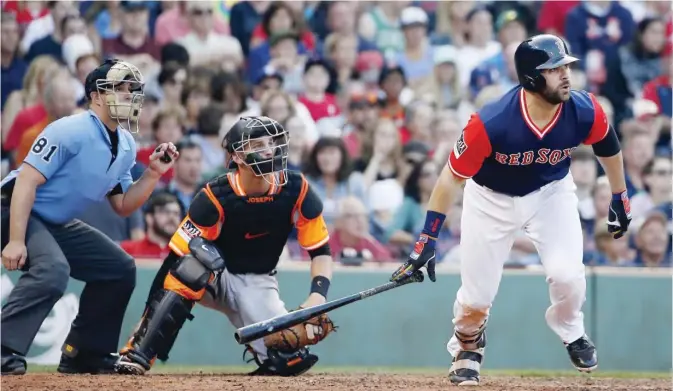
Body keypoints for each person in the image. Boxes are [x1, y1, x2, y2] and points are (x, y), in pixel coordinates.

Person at [390, 35, 632, 386]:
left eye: (566, 67)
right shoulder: (492, 121)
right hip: (491, 199)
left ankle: (571, 328)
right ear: (533, 78)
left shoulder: (584, 108)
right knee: (476, 299)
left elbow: (608, 145)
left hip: (551, 193)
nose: (566, 75)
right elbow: (448, 180)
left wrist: (619, 194)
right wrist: (427, 237)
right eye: (554, 69)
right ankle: (467, 346)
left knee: (567, 275)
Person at [115, 116, 336, 376]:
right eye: (257, 144)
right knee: (189, 265)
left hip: (257, 280)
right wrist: (146, 320)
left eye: (271, 142)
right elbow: (173, 261)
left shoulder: (297, 188)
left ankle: (273, 358)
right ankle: (140, 351)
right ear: (238, 157)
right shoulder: (215, 196)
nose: (268, 149)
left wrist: (317, 296)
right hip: (213, 276)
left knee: (285, 358)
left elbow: (320, 250)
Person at [0, 59, 178, 375]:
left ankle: (84, 353)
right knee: (53, 269)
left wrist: (152, 173)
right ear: (96, 96)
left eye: (132, 90)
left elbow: (122, 204)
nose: (129, 96)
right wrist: (15, 240)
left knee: (118, 268)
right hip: (10, 207)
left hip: (51, 220)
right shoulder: (70, 128)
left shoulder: (125, 143)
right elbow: (26, 181)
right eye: (119, 89)